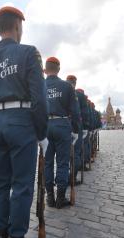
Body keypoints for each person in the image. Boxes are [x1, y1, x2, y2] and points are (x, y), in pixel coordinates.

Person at [0, 6, 48, 238]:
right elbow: (39, 98)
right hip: (20, 121)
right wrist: (41, 132)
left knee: (0, 183)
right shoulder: (28, 53)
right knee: (21, 184)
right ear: (18, 26)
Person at [44, 58, 79, 208]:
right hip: (62, 124)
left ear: (45, 69)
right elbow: (76, 112)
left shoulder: (39, 85)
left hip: (44, 126)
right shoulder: (66, 86)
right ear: (58, 69)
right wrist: (76, 131)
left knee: (47, 163)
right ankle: (60, 198)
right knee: (63, 163)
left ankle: (50, 197)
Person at [66, 75, 83, 185]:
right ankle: (72, 177)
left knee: (63, 155)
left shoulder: (61, 88)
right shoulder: (80, 95)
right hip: (75, 125)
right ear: (75, 83)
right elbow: (81, 113)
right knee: (76, 153)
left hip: (63, 124)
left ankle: (63, 177)